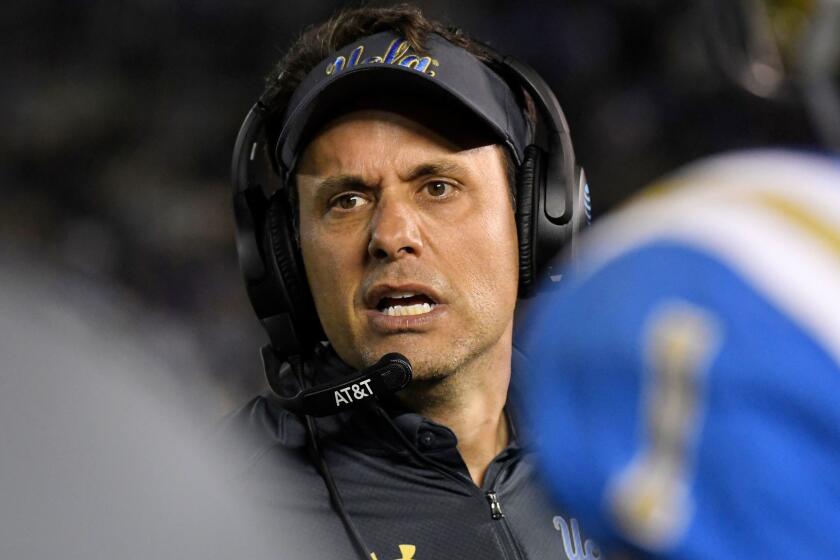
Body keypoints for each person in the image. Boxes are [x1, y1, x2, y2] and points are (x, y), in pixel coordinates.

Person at [225, 4, 593, 559]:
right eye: (346, 200)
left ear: (536, 220)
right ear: (285, 259)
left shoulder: (633, 454)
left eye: (438, 187)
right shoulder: (221, 498)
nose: (391, 235)